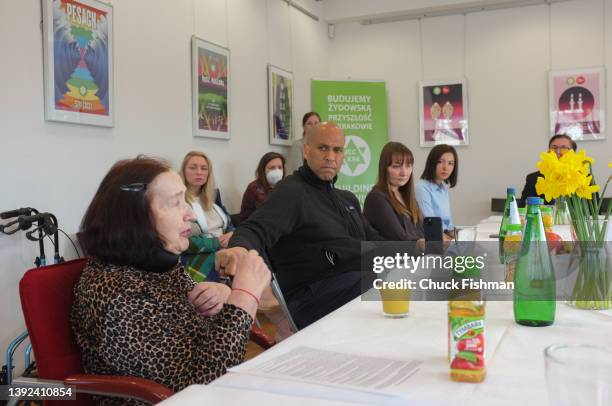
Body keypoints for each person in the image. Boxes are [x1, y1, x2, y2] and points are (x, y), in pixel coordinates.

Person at [72, 157, 270, 404]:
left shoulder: (156, 263)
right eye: (175, 203)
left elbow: (201, 340)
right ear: (137, 218)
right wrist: (244, 298)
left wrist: (221, 294)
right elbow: (192, 391)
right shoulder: (121, 295)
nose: (189, 214)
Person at [216, 122, 384, 329]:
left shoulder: (347, 199)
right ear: (306, 151)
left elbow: (376, 240)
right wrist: (238, 248)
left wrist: (420, 248)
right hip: (312, 297)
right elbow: (254, 228)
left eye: (337, 150)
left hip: (355, 282)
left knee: (418, 273)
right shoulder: (291, 192)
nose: (330, 156)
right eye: (323, 148)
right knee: (389, 280)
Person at [180, 151, 234, 282]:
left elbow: (230, 224)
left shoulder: (213, 199)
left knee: (253, 254)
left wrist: (233, 235)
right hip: (200, 255)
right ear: (183, 171)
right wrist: (217, 242)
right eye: (193, 167)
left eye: (204, 168)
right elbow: (180, 240)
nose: (199, 172)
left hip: (226, 248)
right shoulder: (178, 201)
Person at [364, 142, 424, 241]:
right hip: (393, 255)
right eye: (396, 166)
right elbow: (400, 239)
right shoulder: (376, 198)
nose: (404, 173)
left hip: (418, 254)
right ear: (384, 168)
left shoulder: (406, 196)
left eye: (408, 166)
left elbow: (423, 231)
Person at [518, 134, 577, 207]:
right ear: (548, 151)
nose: (558, 151)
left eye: (563, 148)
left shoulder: (582, 178)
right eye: (554, 148)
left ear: (573, 153)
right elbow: (523, 207)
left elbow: (593, 210)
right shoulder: (533, 178)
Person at [415, 144, 458, 240]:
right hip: (434, 240)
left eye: (450, 163)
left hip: (447, 236)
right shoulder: (421, 188)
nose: (446, 168)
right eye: (440, 162)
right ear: (432, 162)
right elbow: (431, 225)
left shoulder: (443, 188)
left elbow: (449, 224)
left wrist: (458, 236)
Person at [239, 152, 286, 221]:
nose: (277, 171)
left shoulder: (285, 186)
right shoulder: (254, 188)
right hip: (256, 227)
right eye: (272, 168)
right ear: (263, 170)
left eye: (280, 167)